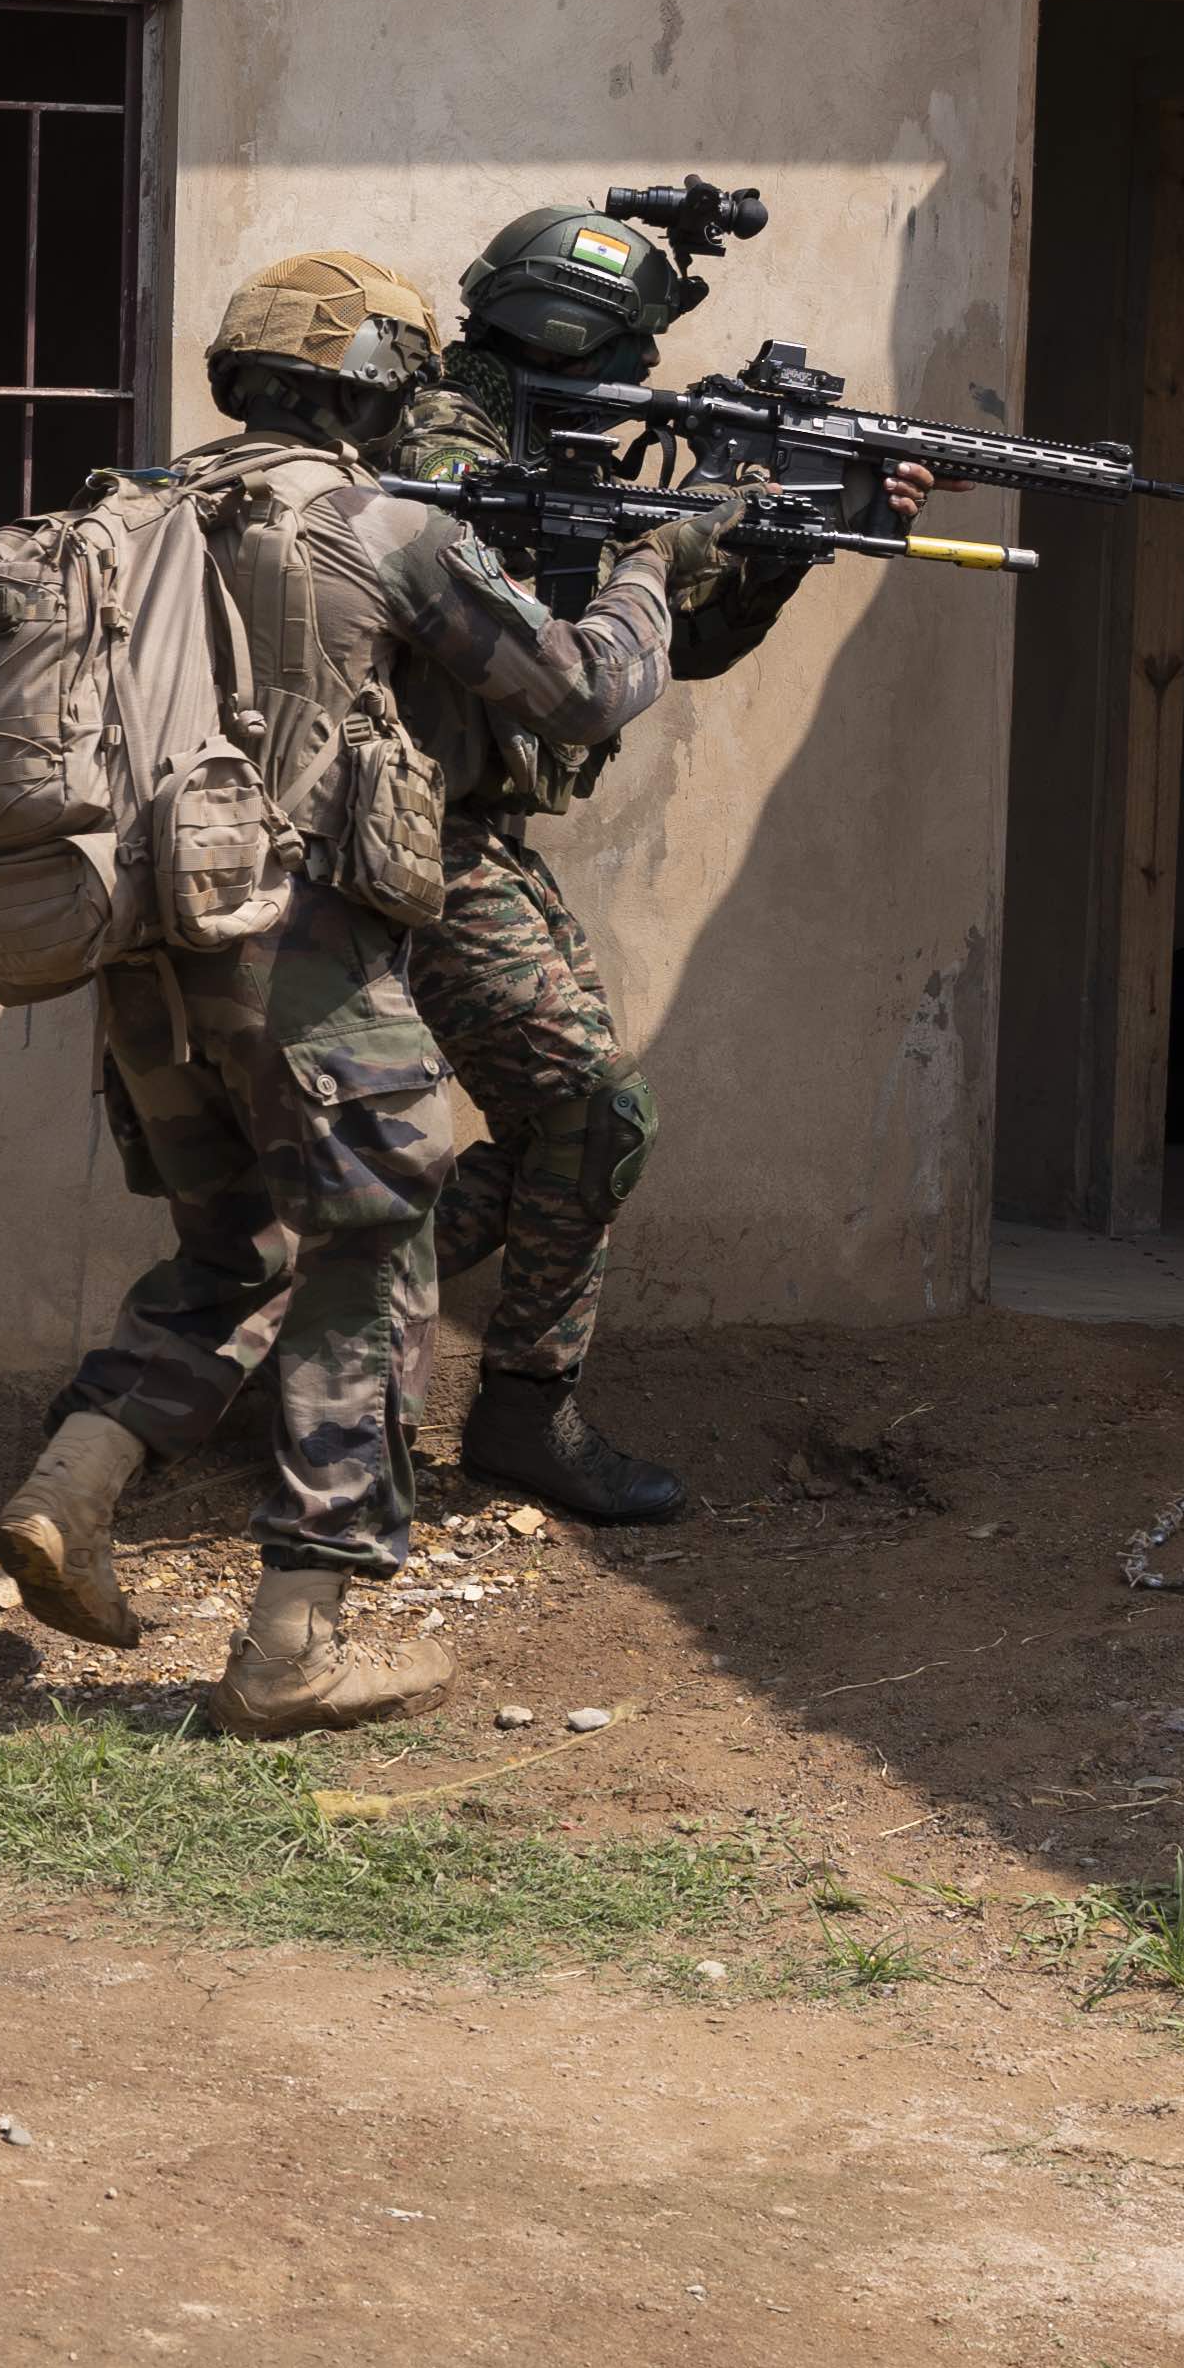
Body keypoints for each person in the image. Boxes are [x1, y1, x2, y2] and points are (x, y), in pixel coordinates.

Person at [0, 254, 696, 1735]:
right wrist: (654, 578)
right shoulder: (385, 524)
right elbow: (575, 693)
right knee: (378, 1245)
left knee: (239, 1245)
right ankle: (295, 1643)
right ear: (378, 379)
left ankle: (70, 1490)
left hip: (140, 956)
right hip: (295, 953)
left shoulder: (132, 512)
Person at [385, 204, 934, 1526]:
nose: (641, 384)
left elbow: (677, 650)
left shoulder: (545, 442)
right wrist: (662, 536)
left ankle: (334, 1325)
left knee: (576, 1118)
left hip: (474, 831)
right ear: (573, 334)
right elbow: (557, 653)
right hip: (397, 830)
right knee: (589, 1109)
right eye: (627, 353)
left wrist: (783, 540)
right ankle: (465, 1390)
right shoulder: (443, 445)